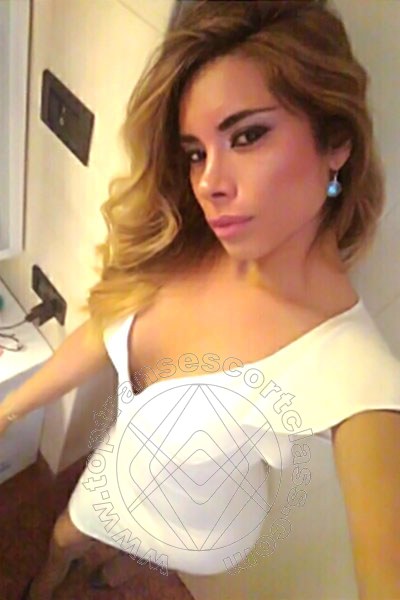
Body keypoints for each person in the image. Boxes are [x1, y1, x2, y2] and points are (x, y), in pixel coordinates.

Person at [1, 1, 399, 598]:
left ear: (336, 142)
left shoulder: (359, 374)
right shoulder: (185, 242)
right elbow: (106, 328)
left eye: (248, 136)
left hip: (202, 530)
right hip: (118, 472)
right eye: (196, 152)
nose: (210, 182)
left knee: (106, 553)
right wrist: (7, 410)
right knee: (61, 538)